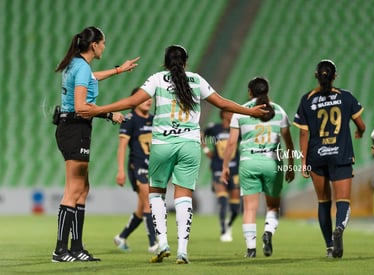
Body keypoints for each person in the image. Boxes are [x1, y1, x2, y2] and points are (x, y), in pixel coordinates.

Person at [77, 45, 269, 264]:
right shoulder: (196, 80)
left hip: (162, 144)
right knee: (184, 197)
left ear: (165, 62)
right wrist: (250, 111)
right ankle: (183, 251)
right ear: (186, 62)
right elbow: (222, 102)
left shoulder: (157, 79)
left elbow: (132, 102)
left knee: (156, 193)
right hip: (189, 145)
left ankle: (163, 243)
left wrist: (98, 110)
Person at [52, 26, 139, 262]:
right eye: (103, 43)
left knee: (83, 189)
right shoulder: (81, 68)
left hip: (73, 128)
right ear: (94, 45)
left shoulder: (77, 64)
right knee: (73, 190)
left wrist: (119, 70)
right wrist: (110, 113)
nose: (104, 47)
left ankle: (77, 247)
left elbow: (92, 78)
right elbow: (81, 107)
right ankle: (60, 250)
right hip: (75, 128)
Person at [293, 60, 365, 259]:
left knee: (323, 202)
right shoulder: (346, 97)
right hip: (340, 155)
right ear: (335, 76)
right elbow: (360, 124)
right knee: (343, 201)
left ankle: (329, 246)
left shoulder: (307, 99)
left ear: (317, 75)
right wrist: (360, 131)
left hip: (317, 156)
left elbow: (303, 134)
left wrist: (303, 162)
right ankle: (339, 227)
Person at [220, 77, 295, 258]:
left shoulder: (241, 112)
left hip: (249, 162)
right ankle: (268, 232)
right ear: (267, 91)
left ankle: (251, 249)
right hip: (272, 163)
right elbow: (289, 144)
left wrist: (225, 166)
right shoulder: (279, 111)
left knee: (250, 208)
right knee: (273, 207)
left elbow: (231, 144)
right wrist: (291, 167)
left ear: (249, 92)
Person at [113, 88, 158, 253]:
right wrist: (120, 171)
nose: (148, 100)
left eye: (149, 98)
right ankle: (153, 244)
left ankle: (121, 236)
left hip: (153, 168)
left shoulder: (155, 120)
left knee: (142, 209)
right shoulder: (130, 119)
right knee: (149, 203)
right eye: (144, 98)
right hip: (137, 167)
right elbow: (122, 147)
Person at [202, 110, 241, 242]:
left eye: (232, 113)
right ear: (223, 114)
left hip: (234, 169)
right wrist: (206, 150)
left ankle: (229, 224)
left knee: (236, 208)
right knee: (223, 200)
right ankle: (223, 230)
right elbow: (201, 135)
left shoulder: (237, 129)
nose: (231, 115)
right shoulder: (215, 128)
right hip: (218, 168)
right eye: (228, 112)